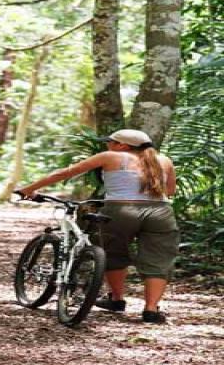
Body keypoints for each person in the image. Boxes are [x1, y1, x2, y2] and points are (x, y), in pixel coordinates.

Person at [17, 129, 179, 324]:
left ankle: (117, 299)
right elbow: (169, 191)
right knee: (159, 259)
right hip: (160, 212)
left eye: (110, 141)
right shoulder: (164, 160)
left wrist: (30, 189)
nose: (107, 144)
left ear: (123, 146)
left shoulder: (111, 156)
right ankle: (151, 309)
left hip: (121, 210)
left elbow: (67, 172)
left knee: (112, 252)